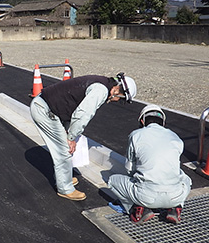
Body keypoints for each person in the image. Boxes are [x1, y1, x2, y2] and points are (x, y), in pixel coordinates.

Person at [30, 73, 137, 201]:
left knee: (65, 146)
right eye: (120, 98)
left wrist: (70, 134)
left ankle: (64, 177)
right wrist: (71, 138)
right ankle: (65, 189)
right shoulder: (101, 90)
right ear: (116, 90)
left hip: (51, 107)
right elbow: (82, 115)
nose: (117, 101)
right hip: (44, 110)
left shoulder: (102, 82)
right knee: (64, 150)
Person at [108, 104, 192, 224]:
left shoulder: (136, 135)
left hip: (146, 196)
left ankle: (137, 210)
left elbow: (129, 168)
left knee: (112, 180)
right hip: (175, 196)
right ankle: (175, 207)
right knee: (186, 178)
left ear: (142, 121)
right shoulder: (176, 137)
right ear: (163, 123)